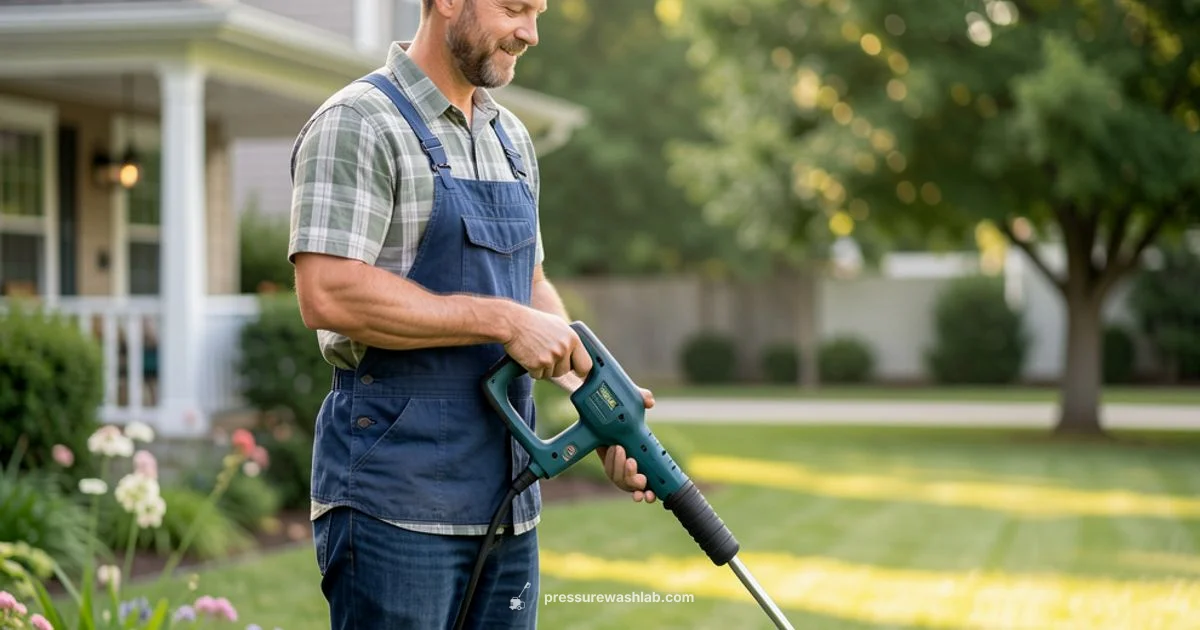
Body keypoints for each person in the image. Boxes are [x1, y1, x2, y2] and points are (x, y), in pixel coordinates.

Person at [287, 1, 657, 628]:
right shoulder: (358, 121)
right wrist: (502, 321)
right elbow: (329, 293)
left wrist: (596, 405)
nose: (530, 33)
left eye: (538, 12)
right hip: (394, 501)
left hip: (507, 500)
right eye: (514, 8)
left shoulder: (510, 138)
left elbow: (529, 284)